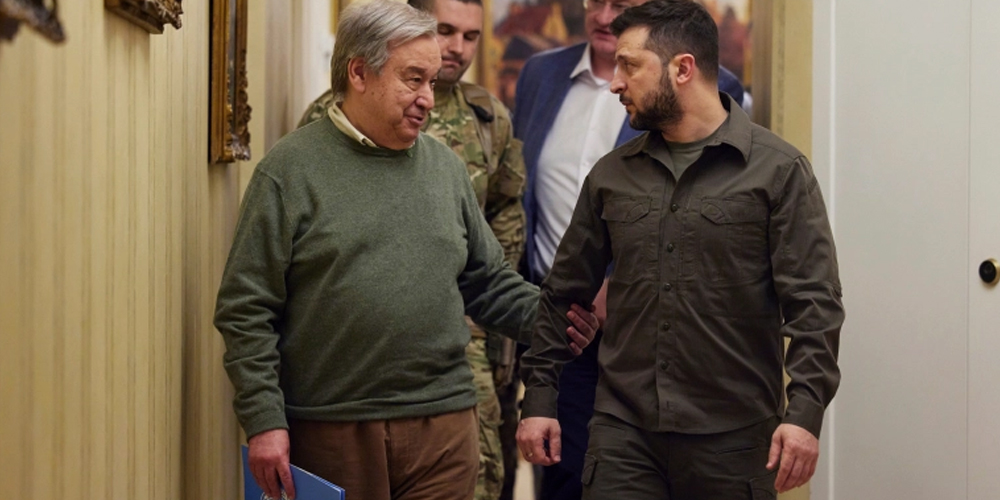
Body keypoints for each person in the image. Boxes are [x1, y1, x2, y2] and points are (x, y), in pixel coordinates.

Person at [214, 2, 598, 499]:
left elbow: (487, 284)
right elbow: (246, 309)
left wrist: (557, 318)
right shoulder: (289, 172)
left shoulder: (445, 169)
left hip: (444, 426)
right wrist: (264, 420)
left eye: (432, 82)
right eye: (413, 80)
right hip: (331, 428)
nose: (428, 100)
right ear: (359, 73)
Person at [515, 1, 844, 499]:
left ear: (682, 69)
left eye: (630, 66)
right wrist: (540, 398)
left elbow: (814, 304)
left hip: (734, 439)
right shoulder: (611, 175)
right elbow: (562, 292)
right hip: (623, 436)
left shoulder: (778, 171)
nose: (615, 83)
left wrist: (804, 414)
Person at [511, 0, 745, 497]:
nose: (603, 15)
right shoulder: (539, 75)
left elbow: (703, 210)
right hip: (560, 323)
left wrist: (617, 284)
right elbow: (519, 193)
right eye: (594, 1)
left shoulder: (713, 85)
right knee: (563, 475)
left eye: (620, 4)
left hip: (647, 329)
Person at [297, 0, 528, 497]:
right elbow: (268, 291)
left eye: (471, 36)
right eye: (446, 30)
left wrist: (529, 319)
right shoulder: (317, 137)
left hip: (463, 344)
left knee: (485, 469)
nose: (457, 48)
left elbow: (502, 230)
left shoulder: (485, 119)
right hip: (349, 382)